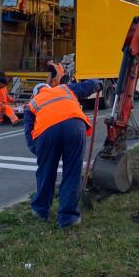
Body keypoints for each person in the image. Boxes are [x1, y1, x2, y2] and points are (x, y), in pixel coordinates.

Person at [24, 79, 101, 228]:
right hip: (74, 126)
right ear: (49, 88)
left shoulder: (32, 104)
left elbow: (28, 132)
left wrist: (39, 151)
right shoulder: (64, 88)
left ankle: (41, 210)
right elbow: (86, 86)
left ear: (35, 94)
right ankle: (68, 217)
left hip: (47, 132)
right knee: (72, 171)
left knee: (46, 172)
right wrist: (98, 84)